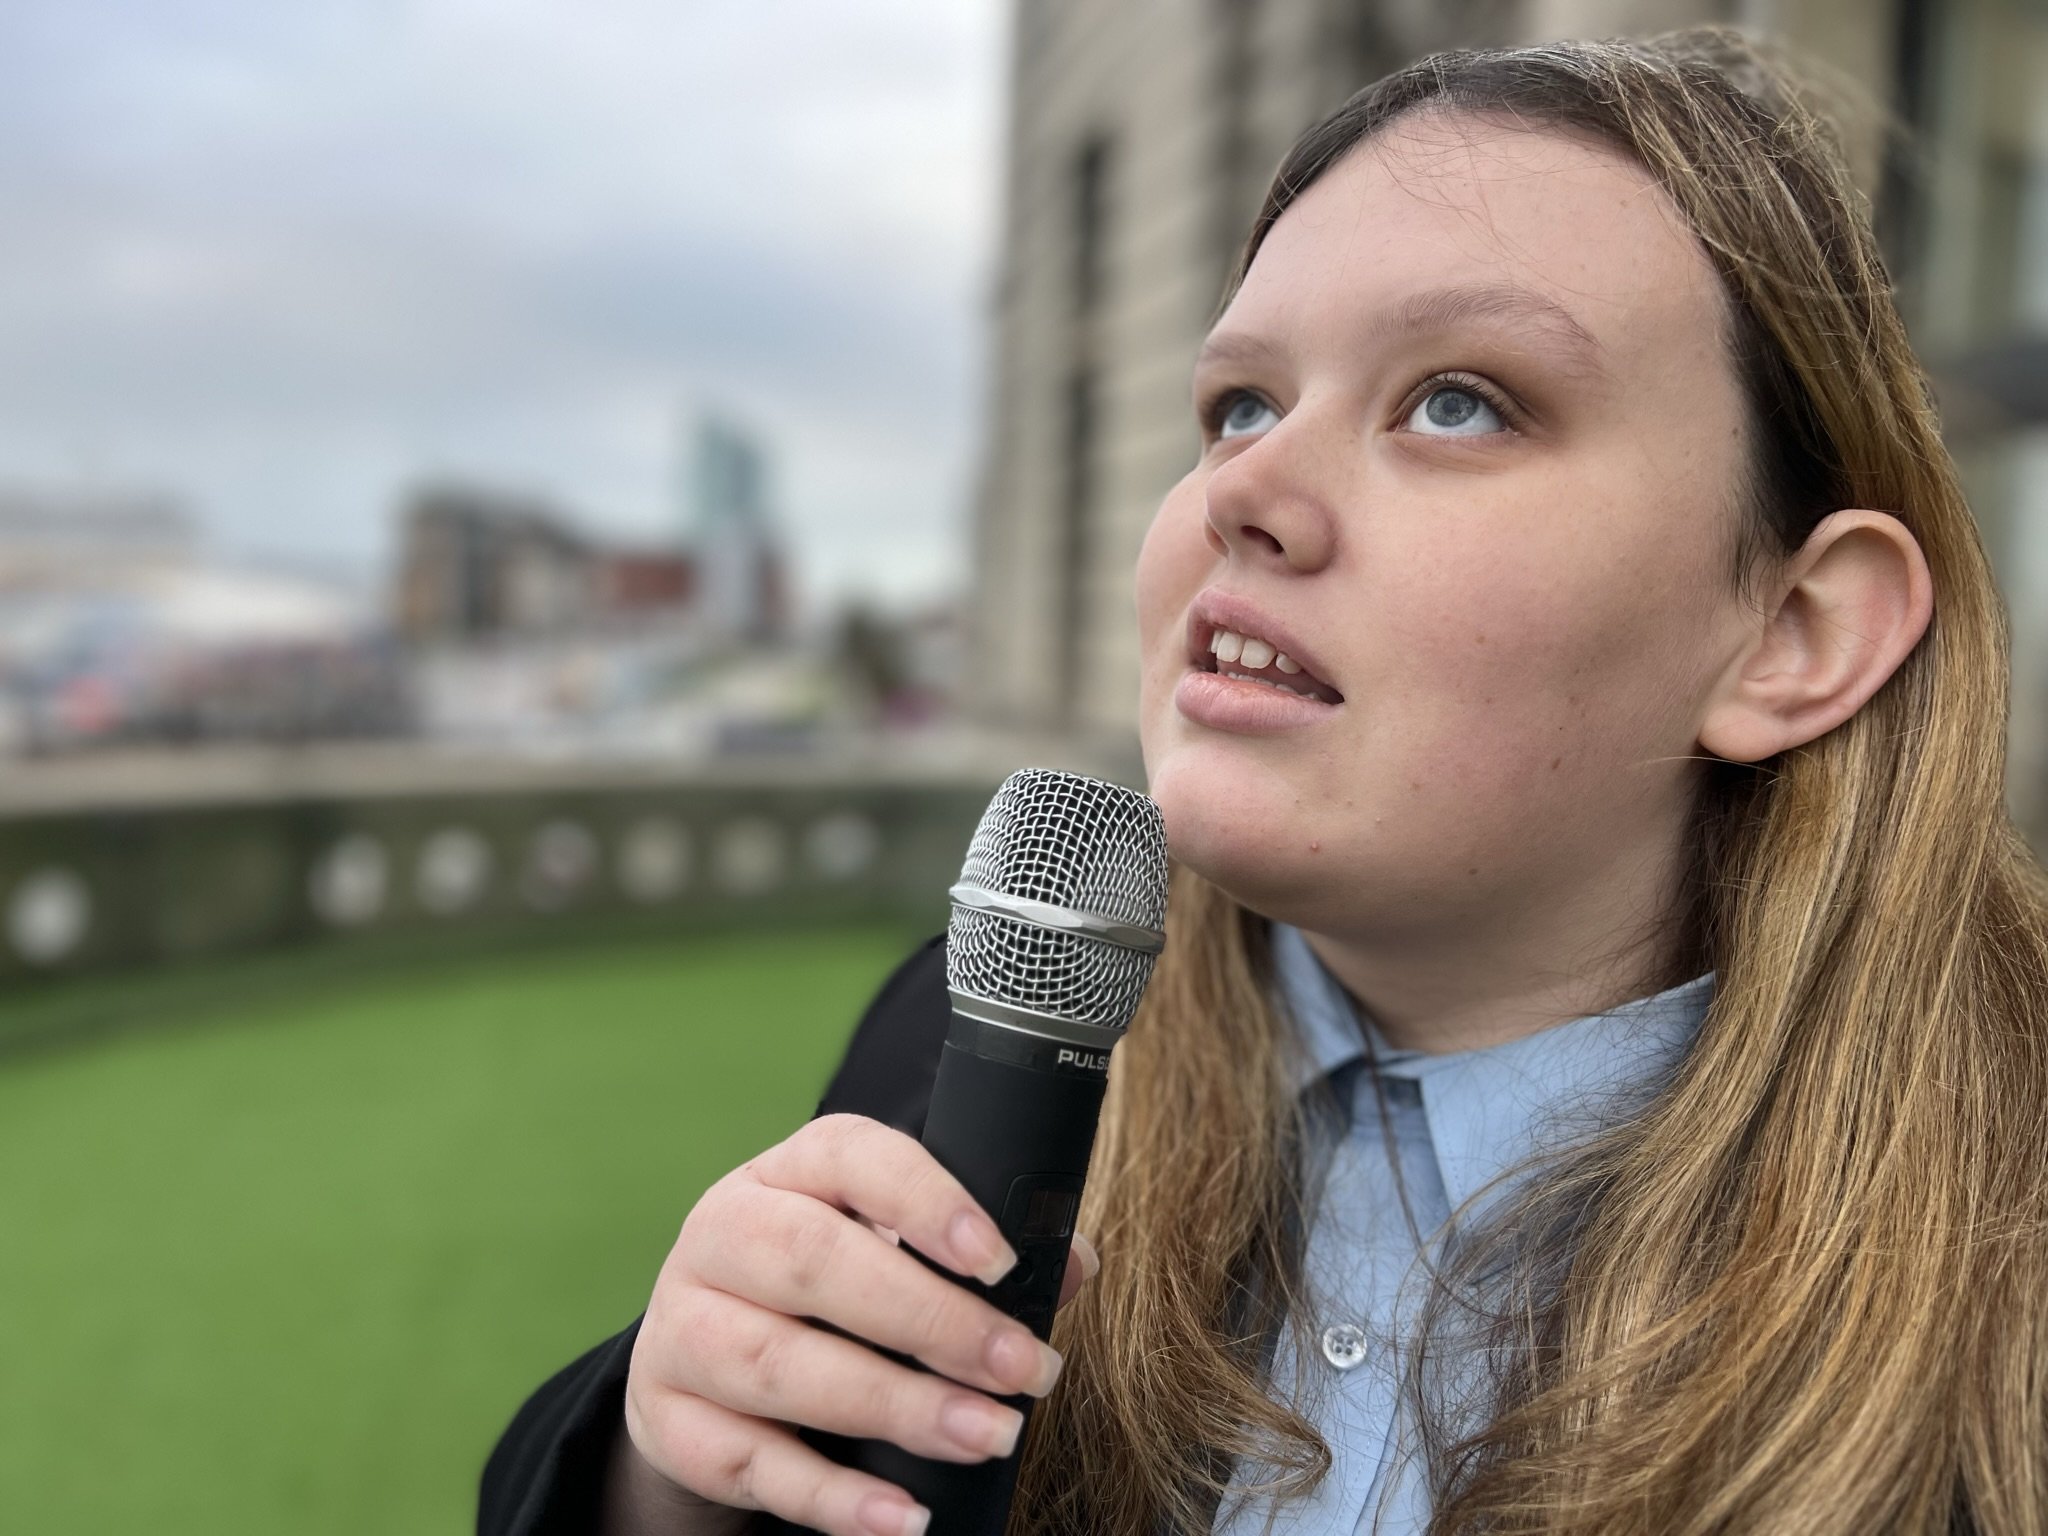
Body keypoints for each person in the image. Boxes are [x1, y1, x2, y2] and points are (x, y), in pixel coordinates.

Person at [480, 26, 2048, 1536]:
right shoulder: (971, 1028)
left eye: (1461, 402)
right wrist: (668, 1486)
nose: (1249, 490)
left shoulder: (2009, 1253)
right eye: (1240, 403)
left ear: (1793, 635)